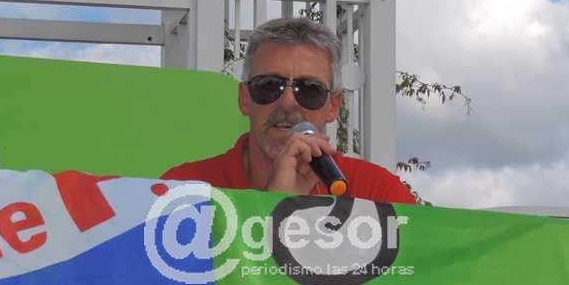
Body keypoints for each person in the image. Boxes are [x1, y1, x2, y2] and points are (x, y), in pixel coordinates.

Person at [161, 17, 417, 204]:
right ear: (245, 98)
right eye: (269, 85)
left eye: (310, 89)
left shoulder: (378, 194)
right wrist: (275, 204)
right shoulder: (182, 191)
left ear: (333, 106)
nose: (287, 103)